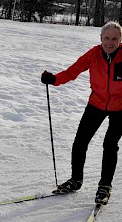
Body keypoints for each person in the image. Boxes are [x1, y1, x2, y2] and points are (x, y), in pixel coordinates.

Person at [41, 21, 122, 205]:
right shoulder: (94, 54)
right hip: (97, 102)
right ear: (101, 38)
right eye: (107, 38)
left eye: (114, 39)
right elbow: (72, 71)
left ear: (120, 40)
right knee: (80, 142)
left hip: (120, 108)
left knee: (110, 144)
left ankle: (105, 186)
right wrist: (53, 79)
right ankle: (76, 180)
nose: (110, 42)